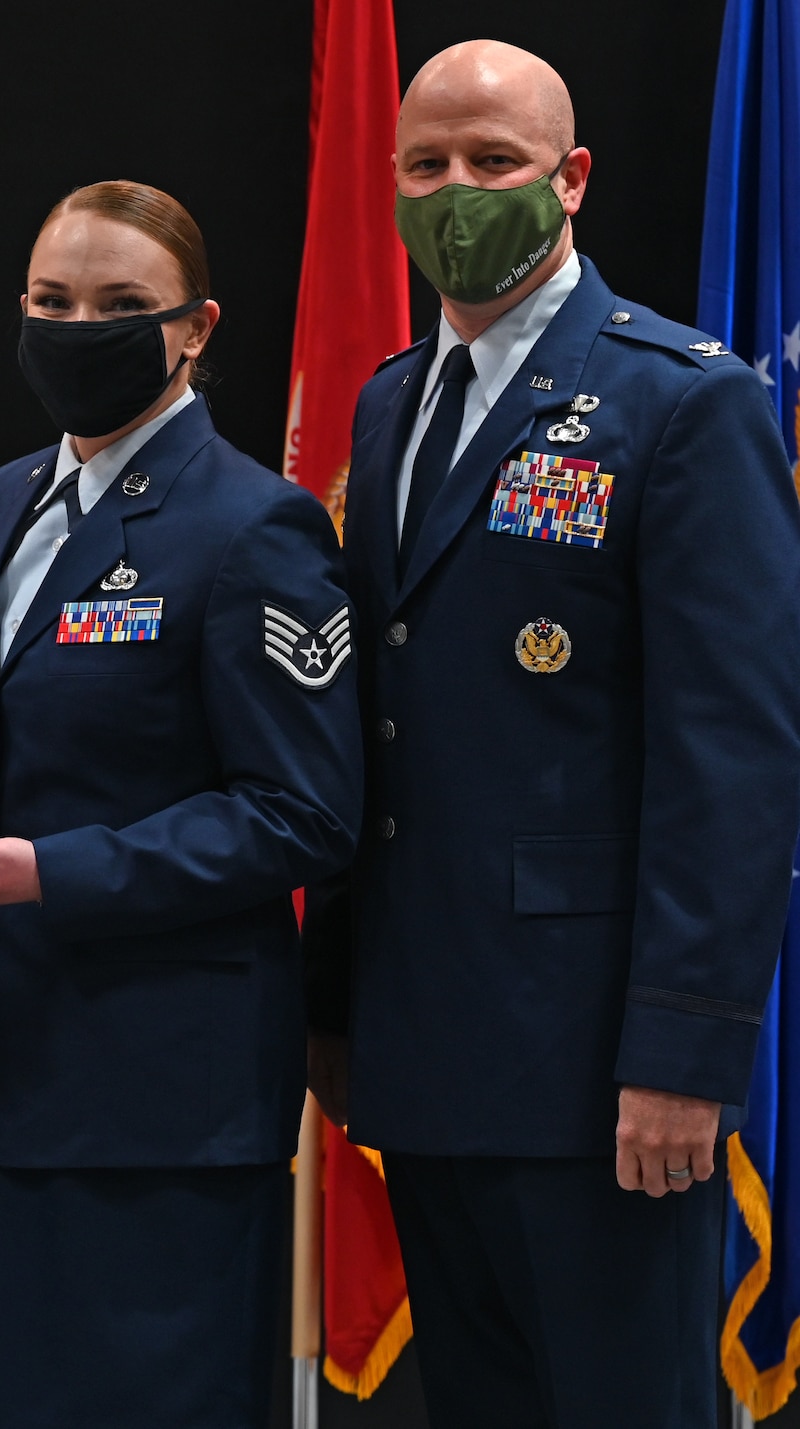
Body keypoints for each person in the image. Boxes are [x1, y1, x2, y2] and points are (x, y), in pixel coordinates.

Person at [303, 40, 800, 1428]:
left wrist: (685, 1056)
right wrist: (339, 998)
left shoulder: (684, 403)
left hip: (602, 1075)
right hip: (428, 1041)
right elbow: (381, 723)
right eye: (426, 165)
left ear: (571, 180)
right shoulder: (392, 400)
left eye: (494, 162)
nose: (456, 191)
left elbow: (736, 759)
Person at [0, 181, 364, 1427]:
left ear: (196, 326)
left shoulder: (253, 525)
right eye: (51, 301)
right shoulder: (4, 501)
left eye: (120, 306)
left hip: (154, 1101)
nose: (77, 327)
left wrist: (61, 869)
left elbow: (301, 811)